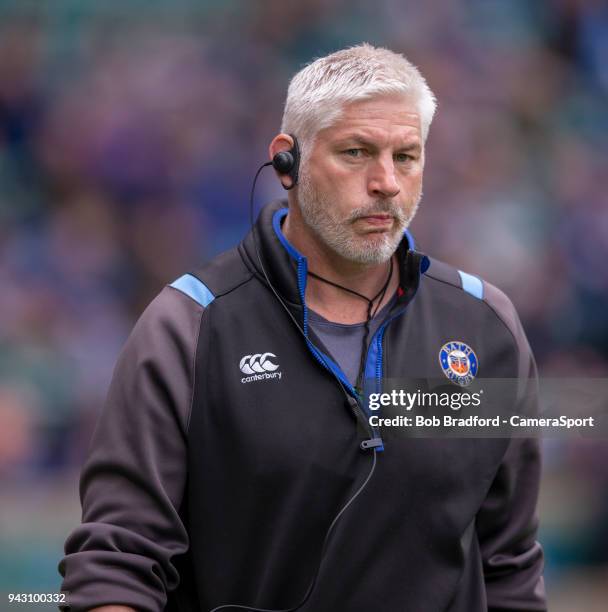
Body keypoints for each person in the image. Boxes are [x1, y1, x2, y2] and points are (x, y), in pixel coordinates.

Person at [59, 44, 546, 612]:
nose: (386, 182)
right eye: (357, 152)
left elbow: (509, 563)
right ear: (287, 161)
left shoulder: (486, 325)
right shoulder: (187, 326)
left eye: (406, 157)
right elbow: (117, 565)